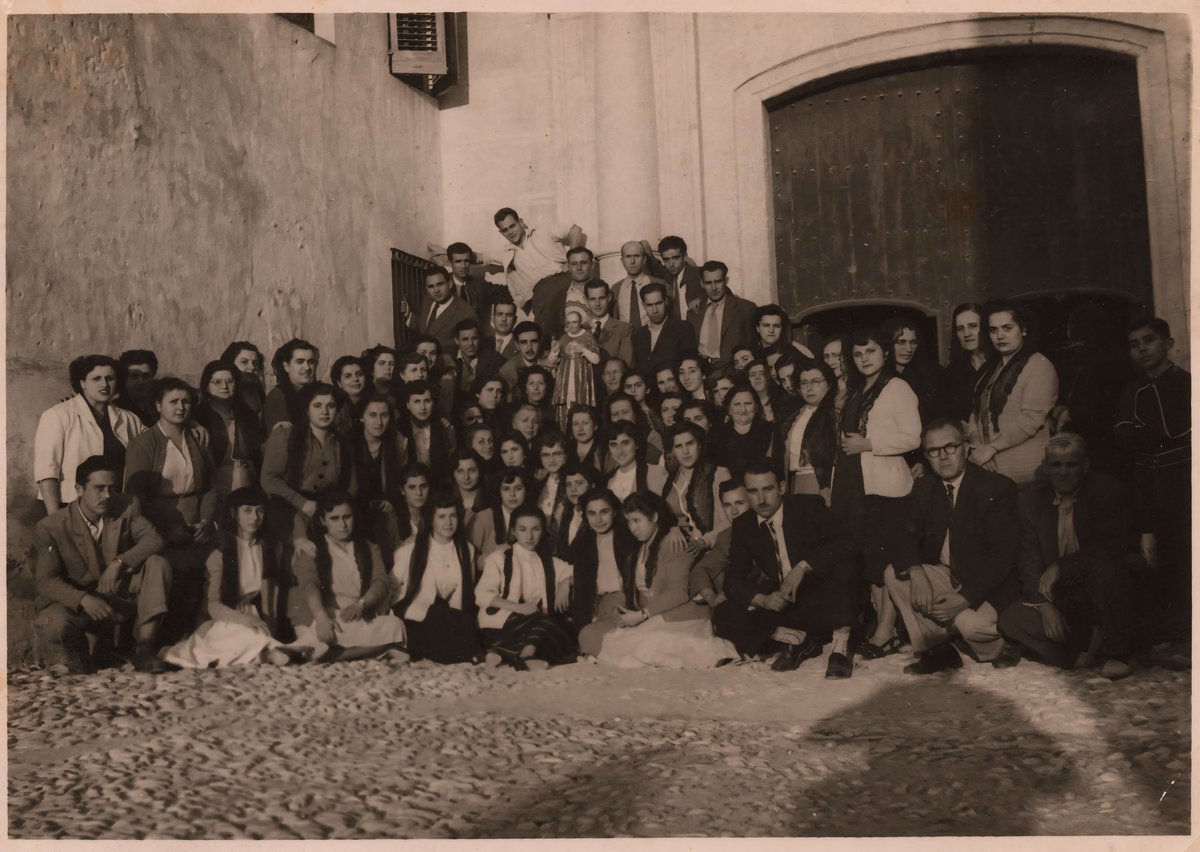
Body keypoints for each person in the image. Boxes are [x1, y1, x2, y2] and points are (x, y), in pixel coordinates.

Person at [884, 418, 1023, 674]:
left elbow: (1002, 558)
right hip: (948, 574)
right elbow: (903, 536)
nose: (943, 457)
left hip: (988, 584)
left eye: (951, 447)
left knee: (969, 625)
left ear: (967, 447)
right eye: (933, 451)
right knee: (896, 572)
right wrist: (917, 574)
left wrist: (964, 599)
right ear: (926, 456)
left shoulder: (997, 486)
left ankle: (1001, 646)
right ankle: (938, 649)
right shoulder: (925, 487)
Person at [997, 434, 1138, 679]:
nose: (1063, 472)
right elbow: (1028, 558)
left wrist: (1060, 566)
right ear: (1046, 467)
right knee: (1011, 620)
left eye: (1071, 464)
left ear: (1085, 466)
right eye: (1056, 465)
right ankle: (1078, 652)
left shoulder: (1108, 491)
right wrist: (1044, 607)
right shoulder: (1031, 501)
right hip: (1063, 593)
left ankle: (1117, 652)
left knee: (1107, 569)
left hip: (1101, 586)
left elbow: (1110, 546)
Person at [712, 459, 858, 678]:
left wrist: (802, 567)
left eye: (768, 489)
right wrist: (763, 599)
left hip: (823, 599)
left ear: (782, 487)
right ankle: (795, 638)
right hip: (785, 604)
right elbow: (733, 580)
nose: (761, 499)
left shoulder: (808, 507)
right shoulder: (744, 524)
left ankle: (840, 648)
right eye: (752, 492)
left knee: (844, 564)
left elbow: (848, 543)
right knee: (723, 612)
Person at [830, 328, 921, 657]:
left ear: (884, 352)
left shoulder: (897, 387)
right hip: (858, 484)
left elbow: (913, 438)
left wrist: (869, 444)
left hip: (886, 487)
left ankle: (886, 631)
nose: (864, 359)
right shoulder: (858, 389)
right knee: (870, 559)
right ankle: (885, 629)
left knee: (886, 561)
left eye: (869, 351)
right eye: (857, 354)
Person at [34, 455, 171, 673]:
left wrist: (119, 562)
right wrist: (83, 599)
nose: (107, 495)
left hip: (115, 596)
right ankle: (80, 655)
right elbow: (46, 581)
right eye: (99, 488)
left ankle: (144, 649)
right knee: (54, 625)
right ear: (79, 489)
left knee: (157, 564)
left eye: (111, 488)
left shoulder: (127, 507)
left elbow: (154, 540)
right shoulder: (50, 527)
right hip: (78, 604)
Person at [581, 491, 737, 668]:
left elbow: (679, 592)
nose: (632, 528)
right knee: (590, 634)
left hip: (681, 617)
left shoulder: (673, 542)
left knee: (637, 642)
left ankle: (702, 648)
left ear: (654, 517)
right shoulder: (639, 547)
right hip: (653, 617)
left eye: (637, 520)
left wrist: (642, 615)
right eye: (629, 521)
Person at [123, 377, 220, 639]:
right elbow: (135, 497)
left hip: (197, 526)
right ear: (158, 405)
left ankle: (202, 635)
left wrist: (206, 521)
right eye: (173, 402)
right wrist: (167, 531)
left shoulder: (198, 439)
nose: (180, 407)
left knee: (212, 569)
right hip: (160, 528)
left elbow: (211, 486)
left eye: (186, 401)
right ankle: (154, 640)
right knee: (169, 570)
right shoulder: (144, 444)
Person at [1114, 316, 1190, 643]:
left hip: (1183, 482)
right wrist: (1156, 437)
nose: (1142, 349)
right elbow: (1123, 436)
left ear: (1168, 343)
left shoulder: (1186, 383)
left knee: (1185, 555)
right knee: (1155, 559)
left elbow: (1179, 431)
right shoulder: (1132, 390)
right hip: (1147, 484)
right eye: (1135, 344)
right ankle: (1170, 635)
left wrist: (1148, 435)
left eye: (1149, 340)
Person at [159, 487, 291, 669]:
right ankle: (267, 652)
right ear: (233, 513)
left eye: (260, 510)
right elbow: (214, 605)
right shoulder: (221, 551)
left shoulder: (269, 548)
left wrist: (266, 624)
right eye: (247, 510)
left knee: (258, 632)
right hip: (225, 617)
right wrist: (243, 619)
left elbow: (272, 595)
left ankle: (266, 649)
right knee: (243, 633)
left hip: (255, 613)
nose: (254, 517)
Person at [291, 493, 409, 662]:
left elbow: (381, 582)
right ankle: (384, 647)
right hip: (321, 615)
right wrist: (322, 617)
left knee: (395, 625)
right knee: (323, 629)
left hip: (357, 616)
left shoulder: (369, 548)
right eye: (335, 518)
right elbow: (309, 584)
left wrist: (361, 605)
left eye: (347, 517)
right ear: (324, 521)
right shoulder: (312, 548)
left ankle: (310, 652)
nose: (343, 524)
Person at [35, 354, 146, 513]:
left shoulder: (129, 419)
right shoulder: (57, 415)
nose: (105, 384)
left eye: (110, 378)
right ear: (82, 383)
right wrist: (55, 519)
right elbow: (46, 472)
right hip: (68, 506)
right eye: (96, 379)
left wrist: (191, 426)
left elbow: (155, 439)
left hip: (113, 505)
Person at [967, 300, 1059, 485]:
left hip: (1026, 473)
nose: (1000, 336)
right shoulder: (991, 369)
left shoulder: (1039, 365)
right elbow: (975, 414)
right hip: (989, 471)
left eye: (1007, 328)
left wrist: (991, 448)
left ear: (1023, 329)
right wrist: (979, 449)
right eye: (994, 330)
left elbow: (1031, 419)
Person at [475, 506, 576, 669]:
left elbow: (578, 573)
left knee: (557, 628)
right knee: (547, 623)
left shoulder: (548, 561)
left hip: (531, 623)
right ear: (513, 532)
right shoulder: (499, 557)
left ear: (542, 531)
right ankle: (526, 655)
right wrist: (518, 608)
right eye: (523, 529)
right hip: (500, 624)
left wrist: (564, 584)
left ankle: (498, 654)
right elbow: (482, 595)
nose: (529, 536)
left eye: (535, 529)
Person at [260, 382, 354, 556]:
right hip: (287, 507)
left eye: (330, 406)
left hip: (324, 510)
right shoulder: (286, 435)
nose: (324, 412)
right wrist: (303, 503)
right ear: (306, 409)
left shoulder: (342, 441)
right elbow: (268, 479)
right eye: (317, 405)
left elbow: (349, 484)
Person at [392, 493, 484, 664]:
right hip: (416, 610)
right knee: (455, 622)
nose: (448, 522)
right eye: (441, 516)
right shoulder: (411, 548)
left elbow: (465, 591)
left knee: (461, 622)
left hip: (449, 615)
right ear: (431, 520)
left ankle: (418, 650)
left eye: (453, 515)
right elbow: (392, 585)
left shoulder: (466, 550)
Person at [487, 207, 584, 318]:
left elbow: (575, 229)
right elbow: (480, 257)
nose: (510, 232)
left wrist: (571, 260)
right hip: (538, 298)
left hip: (562, 284)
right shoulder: (506, 253)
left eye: (512, 226)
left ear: (521, 222)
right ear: (501, 233)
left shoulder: (541, 232)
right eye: (505, 230)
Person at [350, 392, 408, 566]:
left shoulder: (397, 443)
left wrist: (391, 500)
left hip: (386, 507)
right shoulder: (349, 443)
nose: (379, 422)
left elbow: (402, 481)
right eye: (372, 415)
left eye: (384, 415)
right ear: (362, 417)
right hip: (357, 507)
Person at [568, 488, 637, 632]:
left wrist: (674, 529)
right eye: (592, 513)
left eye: (604, 512)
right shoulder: (583, 543)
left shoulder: (628, 537)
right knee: (586, 637)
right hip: (595, 606)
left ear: (615, 512)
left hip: (623, 603)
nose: (598, 520)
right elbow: (582, 593)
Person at [660, 422, 731, 557]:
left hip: (710, 549)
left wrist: (704, 541)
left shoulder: (718, 474)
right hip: (678, 549)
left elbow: (729, 519)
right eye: (678, 446)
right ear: (673, 451)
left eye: (690, 443)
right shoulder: (669, 479)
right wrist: (672, 528)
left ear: (699, 444)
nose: (685, 451)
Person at [193, 360, 262, 491]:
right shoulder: (198, 416)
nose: (224, 386)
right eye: (217, 382)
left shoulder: (247, 415)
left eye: (230, 381)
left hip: (247, 482)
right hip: (214, 485)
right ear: (207, 386)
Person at [781, 359, 838, 500]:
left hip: (823, 484)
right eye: (804, 383)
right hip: (795, 483)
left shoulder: (836, 414)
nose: (809, 388)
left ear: (829, 384)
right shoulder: (795, 416)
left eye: (816, 381)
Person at [689, 480, 751, 608]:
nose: (734, 511)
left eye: (740, 503)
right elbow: (700, 570)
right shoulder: (726, 537)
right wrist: (711, 597)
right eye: (728, 505)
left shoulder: (769, 529)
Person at [687, 260, 756, 367]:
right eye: (708, 283)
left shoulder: (745, 308)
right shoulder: (694, 311)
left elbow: (752, 346)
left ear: (726, 281)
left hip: (731, 370)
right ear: (702, 283)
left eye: (718, 281)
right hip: (702, 369)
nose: (714, 288)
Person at [882, 317, 946, 426]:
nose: (909, 349)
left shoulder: (931, 373)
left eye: (913, 342)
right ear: (888, 344)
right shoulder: (878, 376)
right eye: (901, 342)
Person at [709, 385, 780, 482]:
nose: (743, 409)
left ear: (756, 407)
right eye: (737, 404)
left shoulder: (770, 431)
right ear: (729, 408)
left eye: (748, 403)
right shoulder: (716, 435)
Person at [467, 465, 535, 564]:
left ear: (526, 490)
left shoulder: (535, 517)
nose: (512, 494)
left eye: (518, 488)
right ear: (499, 491)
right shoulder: (482, 518)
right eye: (506, 489)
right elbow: (469, 558)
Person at [401, 266, 476, 351]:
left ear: (450, 284)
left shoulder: (466, 312)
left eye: (440, 284)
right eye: (431, 286)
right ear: (426, 288)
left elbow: (469, 345)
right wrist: (409, 315)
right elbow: (426, 328)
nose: (436, 290)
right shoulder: (428, 300)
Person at [548, 306, 600, 428]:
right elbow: (551, 361)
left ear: (580, 321)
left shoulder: (587, 336)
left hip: (582, 375)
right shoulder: (564, 338)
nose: (572, 325)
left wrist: (584, 351)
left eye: (575, 322)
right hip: (565, 377)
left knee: (581, 404)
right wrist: (554, 351)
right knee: (565, 404)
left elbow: (596, 360)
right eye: (569, 322)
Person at [395, 379, 456, 481]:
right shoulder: (399, 428)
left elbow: (450, 462)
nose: (423, 407)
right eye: (417, 401)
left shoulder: (443, 428)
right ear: (407, 405)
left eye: (427, 401)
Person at [632, 282, 698, 375]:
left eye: (658, 303)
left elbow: (690, 367)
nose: (655, 311)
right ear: (644, 306)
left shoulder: (683, 329)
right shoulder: (638, 335)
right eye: (649, 305)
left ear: (666, 301)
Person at [446, 240, 512, 327]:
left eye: (466, 261)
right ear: (450, 262)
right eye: (458, 261)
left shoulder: (479, 284)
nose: (463, 266)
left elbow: (510, 292)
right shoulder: (441, 283)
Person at [262, 338, 319, 433]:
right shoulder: (278, 397)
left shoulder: (317, 392)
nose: (307, 367)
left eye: (311, 362)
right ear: (286, 366)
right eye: (300, 362)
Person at [946, 303, 991, 424]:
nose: (966, 334)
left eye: (973, 326)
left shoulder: (1000, 363)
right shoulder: (952, 372)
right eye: (960, 329)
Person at [605, 420, 667, 502]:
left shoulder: (656, 473)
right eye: (613, 444)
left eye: (625, 443)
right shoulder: (607, 480)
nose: (619, 451)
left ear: (637, 444)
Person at [612, 240, 668, 329]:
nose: (632, 261)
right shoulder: (616, 288)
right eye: (628, 257)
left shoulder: (659, 284)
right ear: (622, 261)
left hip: (653, 338)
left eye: (637, 256)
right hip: (625, 340)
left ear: (644, 259)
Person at [553, 461, 600, 558]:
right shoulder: (566, 514)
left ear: (592, 485)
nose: (573, 489)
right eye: (568, 484)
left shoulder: (598, 516)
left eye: (579, 483)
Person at [533, 431, 571, 550]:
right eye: (546, 455)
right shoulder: (537, 483)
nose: (551, 460)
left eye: (557, 454)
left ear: (566, 455)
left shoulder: (573, 483)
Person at [607, 391, 665, 465]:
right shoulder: (606, 442)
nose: (620, 417)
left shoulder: (652, 437)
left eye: (625, 412)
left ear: (635, 414)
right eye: (615, 414)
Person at [585, 279, 634, 365]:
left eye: (601, 298)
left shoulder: (624, 329)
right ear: (586, 301)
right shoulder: (581, 329)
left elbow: (627, 365)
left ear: (609, 297)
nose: (597, 304)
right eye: (592, 299)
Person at [658, 235, 705, 321]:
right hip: (676, 331)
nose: (671, 264)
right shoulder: (664, 280)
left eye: (675, 258)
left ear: (685, 257)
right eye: (666, 260)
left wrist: (703, 299)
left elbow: (724, 295)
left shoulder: (700, 274)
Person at [452, 319, 505, 394]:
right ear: (457, 341)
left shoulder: (495, 359)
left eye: (474, 338)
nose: (470, 343)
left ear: (480, 339)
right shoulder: (449, 358)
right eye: (465, 339)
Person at [220, 341, 267, 421]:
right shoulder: (221, 393)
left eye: (255, 363)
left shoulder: (256, 392)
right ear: (230, 363)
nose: (252, 367)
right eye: (244, 362)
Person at [497, 320, 546, 395]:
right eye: (524, 342)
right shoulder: (508, 371)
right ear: (517, 345)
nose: (529, 348)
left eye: (534, 341)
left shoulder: (550, 360)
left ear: (540, 342)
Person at [392, 462, 432, 547]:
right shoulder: (393, 520)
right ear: (402, 490)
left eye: (423, 486)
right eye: (412, 487)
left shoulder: (437, 515)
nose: (419, 493)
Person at [116, 349, 160, 427]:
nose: (141, 381)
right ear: (124, 378)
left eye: (146, 376)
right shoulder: (115, 410)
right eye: (134, 376)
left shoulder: (160, 407)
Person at [330, 354, 369, 434]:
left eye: (359, 374)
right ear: (339, 383)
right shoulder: (335, 409)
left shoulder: (375, 403)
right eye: (348, 376)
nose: (355, 379)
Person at [449, 447, 486, 529]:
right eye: (460, 471)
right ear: (453, 474)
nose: (466, 477)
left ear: (480, 471)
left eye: (472, 470)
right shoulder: (446, 498)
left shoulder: (491, 499)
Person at [821, 333, 852, 421]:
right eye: (826, 356)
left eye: (836, 355)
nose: (830, 362)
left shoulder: (857, 389)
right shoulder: (824, 387)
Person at [566, 404, 605, 474]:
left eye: (585, 423)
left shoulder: (604, 451)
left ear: (595, 425)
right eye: (575, 424)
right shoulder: (566, 451)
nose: (580, 428)